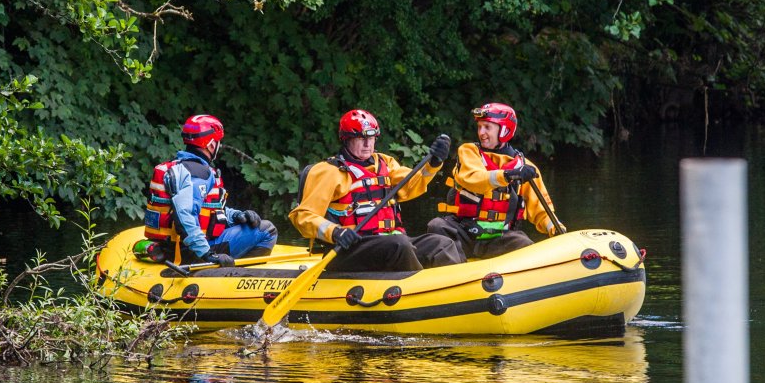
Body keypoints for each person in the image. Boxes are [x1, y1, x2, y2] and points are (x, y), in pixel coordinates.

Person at [289, 109, 463, 272]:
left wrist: (433, 163)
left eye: (371, 138)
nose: (367, 144)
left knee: (442, 244)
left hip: (388, 242)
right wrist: (335, 232)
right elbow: (302, 216)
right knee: (400, 245)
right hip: (348, 249)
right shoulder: (329, 171)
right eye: (360, 138)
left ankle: (457, 287)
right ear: (347, 139)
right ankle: (419, 290)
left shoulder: (385, 163)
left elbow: (412, 185)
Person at [426, 102, 565, 260]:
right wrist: (508, 175)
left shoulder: (525, 168)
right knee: (437, 226)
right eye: (479, 127)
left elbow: (541, 211)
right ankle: (454, 272)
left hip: (499, 237)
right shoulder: (468, 152)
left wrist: (556, 228)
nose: (481, 132)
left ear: (504, 130)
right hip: (463, 230)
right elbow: (474, 179)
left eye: (487, 127)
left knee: (524, 244)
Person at [143, 114, 277, 266]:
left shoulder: (177, 167)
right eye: (218, 142)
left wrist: (236, 216)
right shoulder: (198, 172)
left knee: (249, 225)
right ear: (211, 144)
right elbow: (184, 215)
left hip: (168, 247)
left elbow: (206, 210)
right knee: (267, 230)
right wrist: (208, 255)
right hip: (191, 252)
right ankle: (235, 275)